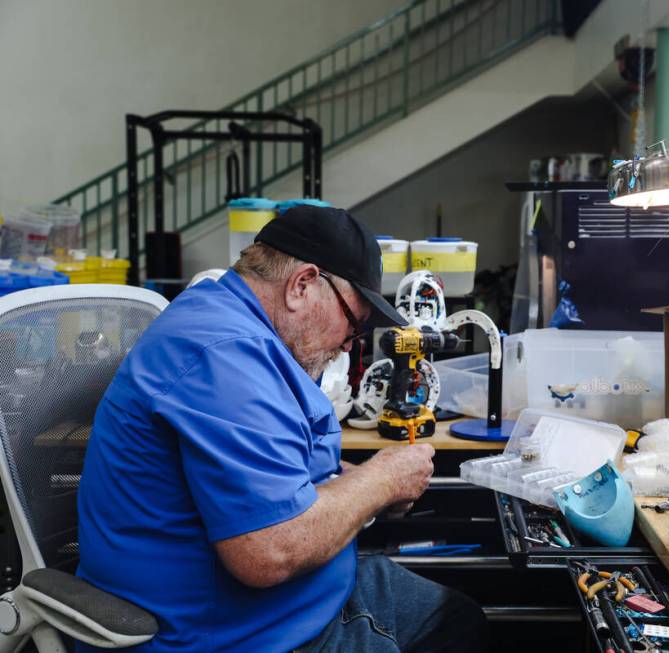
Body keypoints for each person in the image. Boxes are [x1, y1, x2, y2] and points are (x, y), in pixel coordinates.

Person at [76, 205, 487, 652]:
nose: (347, 346)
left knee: (457, 618)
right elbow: (269, 554)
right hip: (235, 633)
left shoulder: (233, 322)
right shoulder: (225, 355)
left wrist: (352, 483)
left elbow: (266, 465)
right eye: (352, 324)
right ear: (303, 285)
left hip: (289, 602)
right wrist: (381, 480)